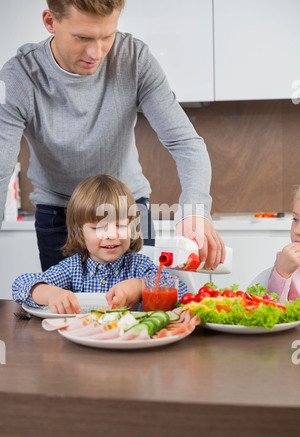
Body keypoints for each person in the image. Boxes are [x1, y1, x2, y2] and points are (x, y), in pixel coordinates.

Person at [0, 0, 225, 272]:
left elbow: (185, 143)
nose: (96, 52)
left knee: (143, 309)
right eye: (82, 37)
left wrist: (195, 212)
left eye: (107, 36)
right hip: (59, 215)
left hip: (127, 213)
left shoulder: (135, 59)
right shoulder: (19, 76)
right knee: (63, 309)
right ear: (50, 22)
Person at [12, 174, 188, 314]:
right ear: (80, 232)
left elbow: (181, 291)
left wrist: (139, 286)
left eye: (119, 225)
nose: (111, 235)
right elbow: (20, 285)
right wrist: (51, 294)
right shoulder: (72, 268)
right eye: (98, 227)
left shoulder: (140, 266)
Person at [267, 186, 300, 303]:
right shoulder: (284, 260)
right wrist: (281, 273)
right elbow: (272, 310)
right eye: (295, 219)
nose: (297, 231)